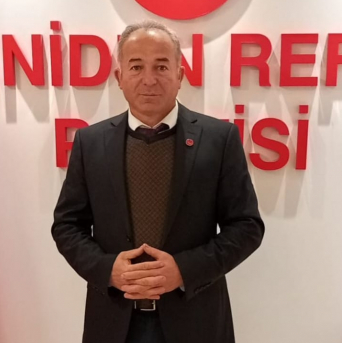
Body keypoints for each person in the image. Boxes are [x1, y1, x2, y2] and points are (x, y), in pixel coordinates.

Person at [52, 20, 265, 343]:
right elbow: (67, 226)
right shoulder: (90, 142)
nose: (149, 79)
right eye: (136, 67)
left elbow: (247, 226)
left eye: (161, 66)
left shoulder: (219, 139)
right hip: (113, 323)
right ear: (119, 77)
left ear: (180, 75)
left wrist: (184, 270)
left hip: (196, 322)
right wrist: (107, 269)